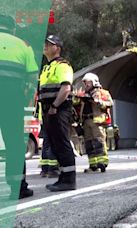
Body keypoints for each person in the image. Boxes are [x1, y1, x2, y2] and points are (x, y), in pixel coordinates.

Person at [0, 14, 37, 199]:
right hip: (11, 101)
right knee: (14, 144)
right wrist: (25, 98)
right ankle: (18, 187)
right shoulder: (23, 45)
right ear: (12, 28)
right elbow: (32, 78)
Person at [38, 35, 76, 191]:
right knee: (55, 145)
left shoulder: (63, 66)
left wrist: (54, 106)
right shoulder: (47, 67)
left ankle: (69, 181)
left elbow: (66, 88)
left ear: (57, 48)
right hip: (49, 111)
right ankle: (63, 178)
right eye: (45, 43)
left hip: (58, 110)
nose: (45, 46)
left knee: (62, 144)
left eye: (49, 44)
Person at [74, 73, 113, 173]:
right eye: (85, 82)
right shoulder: (84, 93)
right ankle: (93, 164)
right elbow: (76, 105)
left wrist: (99, 102)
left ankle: (102, 162)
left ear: (94, 82)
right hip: (86, 121)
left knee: (99, 141)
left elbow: (110, 103)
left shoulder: (102, 93)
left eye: (88, 82)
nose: (86, 84)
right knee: (89, 144)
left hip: (97, 121)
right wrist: (77, 97)